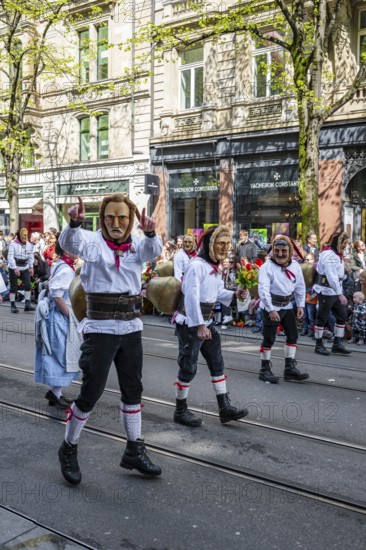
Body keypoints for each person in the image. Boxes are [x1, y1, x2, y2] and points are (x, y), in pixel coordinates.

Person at [57, 194, 163, 485]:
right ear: (101, 219)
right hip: (100, 329)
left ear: (130, 220)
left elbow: (155, 249)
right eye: (110, 217)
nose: (116, 223)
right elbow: (69, 244)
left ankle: (134, 449)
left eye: (123, 218)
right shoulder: (92, 242)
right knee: (91, 393)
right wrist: (74, 223)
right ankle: (68, 448)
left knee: (133, 391)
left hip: (130, 329)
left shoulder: (138, 244)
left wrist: (151, 230)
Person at [173, 225, 248, 427]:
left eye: (226, 244)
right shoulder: (196, 265)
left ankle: (224, 408)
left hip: (205, 323)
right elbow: (191, 297)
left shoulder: (214, 267)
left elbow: (216, 294)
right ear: (209, 244)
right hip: (191, 324)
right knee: (188, 366)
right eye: (220, 243)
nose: (224, 248)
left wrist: (235, 294)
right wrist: (199, 326)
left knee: (217, 362)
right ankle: (180, 410)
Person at [34, 238, 80, 409]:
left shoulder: (60, 264)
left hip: (56, 315)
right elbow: (56, 294)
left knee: (59, 355)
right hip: (59, 317)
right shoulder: (66, 269)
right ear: (67, 250)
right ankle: (54, 393)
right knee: (61, 355)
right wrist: (69, 316)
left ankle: (56, 393)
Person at [257, 235, 309, 384]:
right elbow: (263, 289)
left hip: (287, 306)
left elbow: (300, 286)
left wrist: (300, 305)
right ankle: (264, 370)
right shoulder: (267, 266)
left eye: (283, 251)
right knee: (269, 339)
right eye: (277, 250)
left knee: (293, 335)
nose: (279, 254)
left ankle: (289, 369)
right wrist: (270, 309)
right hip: (271, 307)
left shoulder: (295, 266)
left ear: (290, 251)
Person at [313, 232, 351, 356]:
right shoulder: (329, 255)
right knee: (322, 318)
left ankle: (337, 344)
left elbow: (338, 275)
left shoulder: (336, 254)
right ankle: (318, 345)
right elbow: (331, 276)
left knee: (342, 316)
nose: (345, 245)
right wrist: (340, 294)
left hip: (335, 290)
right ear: (337, 242)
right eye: (344, 243)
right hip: (327, 291)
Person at [7, 228, 35, 313]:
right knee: (14, 287)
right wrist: (15, 268)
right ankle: (13, 305)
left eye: (26, 235)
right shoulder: (13, 244)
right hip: (14, 267)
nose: (25, 237)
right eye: (23, 235)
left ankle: (27, 304)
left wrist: (31, 267)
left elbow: (31, 256)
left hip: (25, 267)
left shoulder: (28, 244)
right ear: (19, 235)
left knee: (28, 285)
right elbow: (10, 257)